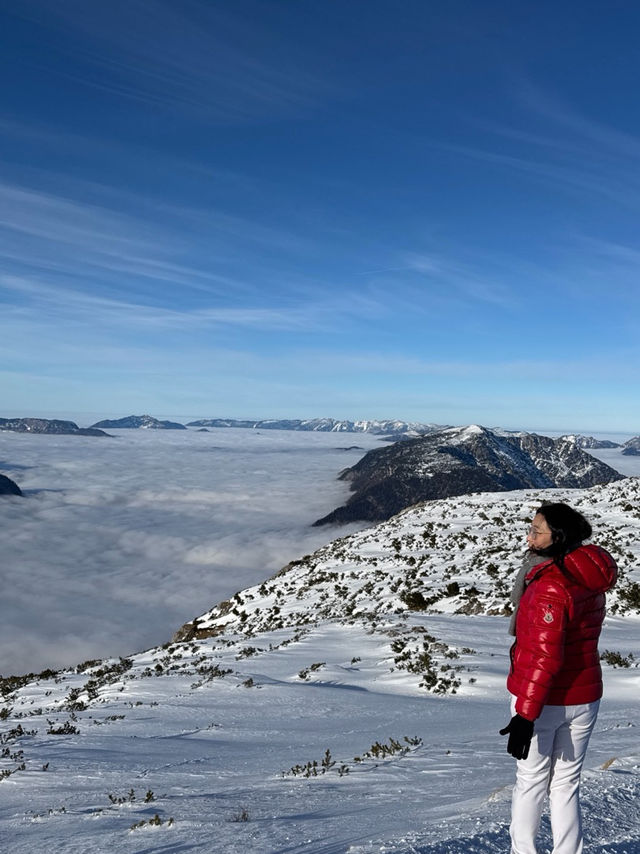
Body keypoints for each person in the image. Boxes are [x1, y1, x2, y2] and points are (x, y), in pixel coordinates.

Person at [500, 502, 617, 854]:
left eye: (537, 531)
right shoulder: (588, 576)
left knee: (531, 781)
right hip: (585, 695)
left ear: (559, 537)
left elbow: (544, 657)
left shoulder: (551, 585)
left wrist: (525, 714)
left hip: (546, 700)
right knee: (566, 784)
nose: (529, 536)